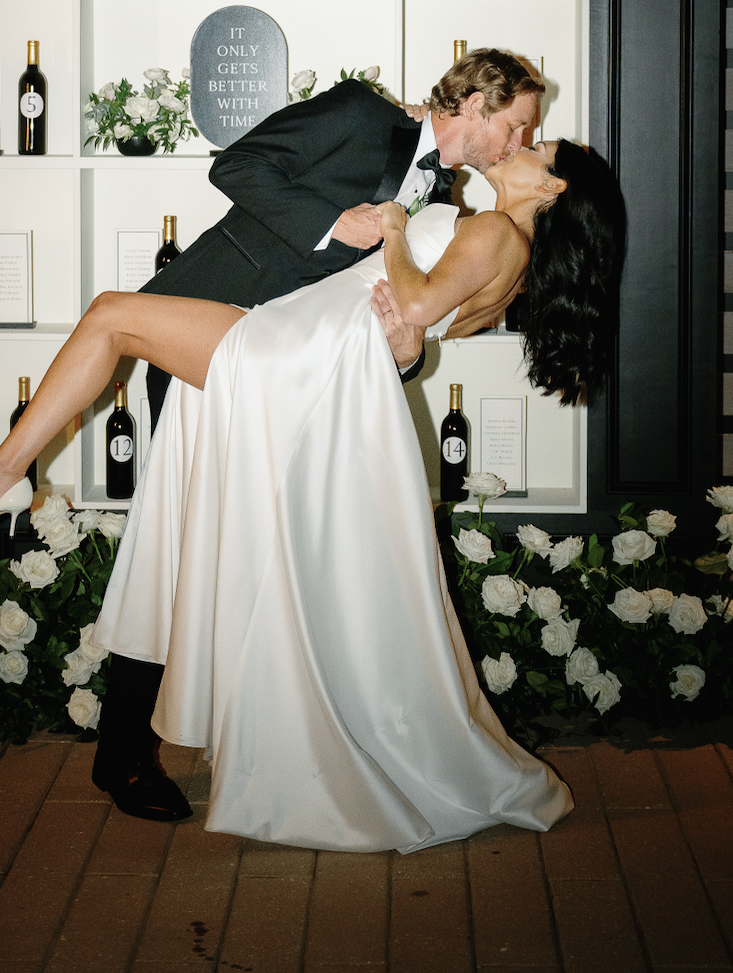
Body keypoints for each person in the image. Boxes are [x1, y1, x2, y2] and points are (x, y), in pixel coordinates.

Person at [0, 136, 626, 853]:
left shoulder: (495, 229)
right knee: (181, 496)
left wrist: (402, 228)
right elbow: (418, 329)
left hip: (292, 357)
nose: (520, 144)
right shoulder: (507, 254)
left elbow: (413, 300)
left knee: (110, 316)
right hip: (313, 361)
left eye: (539, 147)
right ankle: (136, 721)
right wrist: (410, 341)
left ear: (553, 188)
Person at [102, 49, 545, 818]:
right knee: (172, 543)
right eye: (515, 126)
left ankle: (240, 732)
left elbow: (361, 316)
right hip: (200, 339)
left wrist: (409, 358)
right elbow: (236, 167)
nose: (516, 144)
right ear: (474, 102)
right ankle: (122, 754)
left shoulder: (443, 203)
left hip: (278, 386)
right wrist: (329, 221)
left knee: (241, 554)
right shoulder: (357, 113)